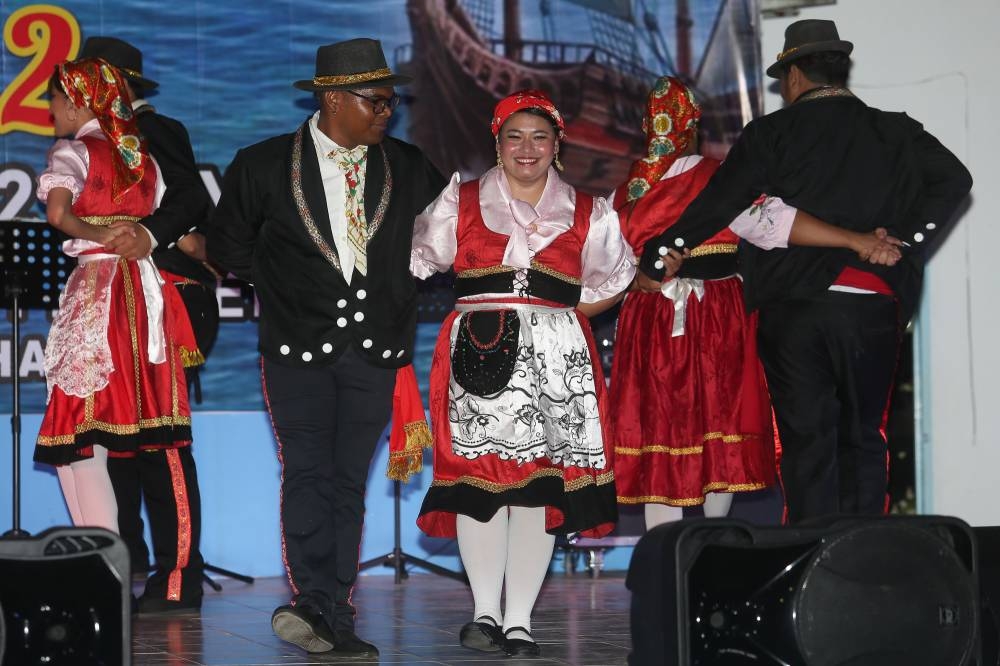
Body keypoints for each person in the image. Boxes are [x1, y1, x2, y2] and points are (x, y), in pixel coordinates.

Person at [638, 20, 972, 523]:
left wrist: (667, 249)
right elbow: (956, 178)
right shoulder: (895, 130)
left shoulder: (773, 132)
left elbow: (721, 202)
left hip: (795, 306)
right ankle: (862, 562)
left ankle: (814, 563)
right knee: (864, 436)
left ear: (793, 76)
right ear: (840, 70)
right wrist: (903, 241)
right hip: (871, 303)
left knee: (808, 440)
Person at [208, 38, 445, 658]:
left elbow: (449, 239)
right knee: (308, 474)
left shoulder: (411, 165)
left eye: (392, 101)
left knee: (347, 483)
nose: (388, 111)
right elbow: (227, 248)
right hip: (295, 351)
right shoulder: (261, 165)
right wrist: (284, 285)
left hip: (376, 350)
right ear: (334, 99)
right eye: (377, 100)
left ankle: (328, 606)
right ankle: (319, 602)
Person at [610, 76, 902, 528]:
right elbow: (776, 224)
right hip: (708, 317)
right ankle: (701, 549)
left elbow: (601, 268)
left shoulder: (628, 192)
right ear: (694, 125)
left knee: (671, 429)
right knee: (713, 425)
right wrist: (854, 239)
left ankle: (672, 556)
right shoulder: (704, 180)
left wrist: (636, 279)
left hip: (670, 319)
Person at [411, 89, 635, 657]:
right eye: (515, 136)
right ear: (498, 143)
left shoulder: (591, 212)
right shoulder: (458, 201)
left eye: (539, 137)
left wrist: (554, 324)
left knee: (538, 488)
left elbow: (611, 282)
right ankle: (484, 613)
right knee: (478, 483)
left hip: (556, 360)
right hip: (476, 351)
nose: (527, 148)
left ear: (557, 145)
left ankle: (519, 620)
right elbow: (416, 260)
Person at [79, 35, 217, 616]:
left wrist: (149, 235)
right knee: (119, 445)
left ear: (118, 82)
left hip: (168, 302)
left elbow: (190, 199)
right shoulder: (86, 142)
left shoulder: (156, 130)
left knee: (161, 440)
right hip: (116, 303)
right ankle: (129, 565)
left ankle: (180, 572)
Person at [34, 58, 192, 540]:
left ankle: (102, 562)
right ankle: (104, 560)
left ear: (80, 101)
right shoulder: (137, 156)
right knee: (106, 426)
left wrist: (96, 236)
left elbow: (60, 216)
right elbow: (175, 224)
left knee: (80, 435)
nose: (52, 110)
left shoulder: (73, 151)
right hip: (142, 297)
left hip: (98, 294)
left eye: (56, 100)